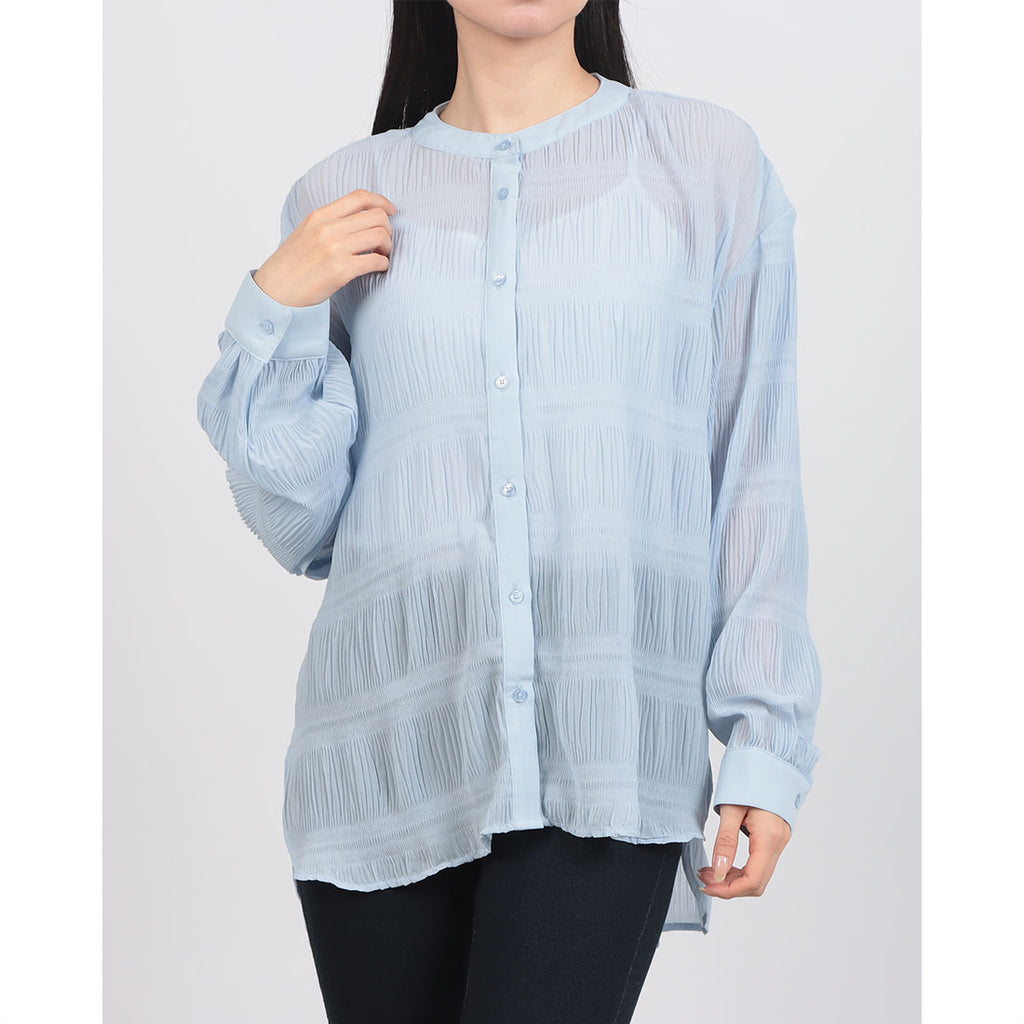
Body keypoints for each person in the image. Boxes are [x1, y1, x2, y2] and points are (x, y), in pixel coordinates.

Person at [195, 1, 823, 1021]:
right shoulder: (341, 196)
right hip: (381, 761)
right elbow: (305, 527)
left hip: (606, 743)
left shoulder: (707, 163)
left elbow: (753, 467)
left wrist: (764, 733)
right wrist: (276, 307)